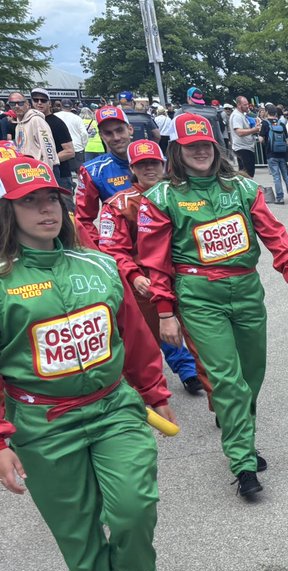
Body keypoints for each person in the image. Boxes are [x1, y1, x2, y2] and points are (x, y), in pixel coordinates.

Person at [0, 156, 176, 571]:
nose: (44, 210)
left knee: (134, 506)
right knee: (74, 525)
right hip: (42, 423)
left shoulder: (98, 263)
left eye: (50, 198)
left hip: (113, 406)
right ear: (7, 211)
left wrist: (155, 395)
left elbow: (135, 337)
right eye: (27, 201)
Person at [136, 112, 288, 498]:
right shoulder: (161, 198)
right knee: (228, 382)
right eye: (191, 144)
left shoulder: (242, 189)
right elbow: (155, 260)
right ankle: (243, 460)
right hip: (199, 296)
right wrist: (166, 312)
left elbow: (275, 235)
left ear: (217, 147)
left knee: (251, 376)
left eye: (206, 144)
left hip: (247, 290)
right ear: (177, 150)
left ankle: (239, 433)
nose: (200, 150)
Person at [97, 138, 206, 398]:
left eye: (153, 163)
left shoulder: (185, 195)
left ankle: (219, 402)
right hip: (143, 288)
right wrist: (134, 277)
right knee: (141, 347)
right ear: (132, 168)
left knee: (204, 344)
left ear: (164, 164)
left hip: (186, 280)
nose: (149, 169)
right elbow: (112, 249)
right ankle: (142, 399)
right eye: (142, 164)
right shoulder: (118, 204)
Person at [74, 106, 139, 249]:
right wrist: (102, 251)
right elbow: (84, 220)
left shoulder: (157, 162)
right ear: (102, 136)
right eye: (108, 133)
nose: (116, 137)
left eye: (120, 130)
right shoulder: (93, 171)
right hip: (122, 250)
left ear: (130, 129)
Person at [260, 104, 288, 204]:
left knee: (276, 177)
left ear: (267, 112)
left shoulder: (265, 123)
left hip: (271, 154)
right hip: (283, 154)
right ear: (276, 113)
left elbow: (261, 139)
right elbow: (287, 139)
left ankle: (280, 198)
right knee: (286, 176)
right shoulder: (281, 124)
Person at [9, 92, 58, 168]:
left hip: (43, 170)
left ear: (27, 104)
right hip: (29, 170)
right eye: (13, 104)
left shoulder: (36, 120)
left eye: (20, 103)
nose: (16, 106)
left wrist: (48, 170)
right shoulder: (18, 126)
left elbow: (48, 146)